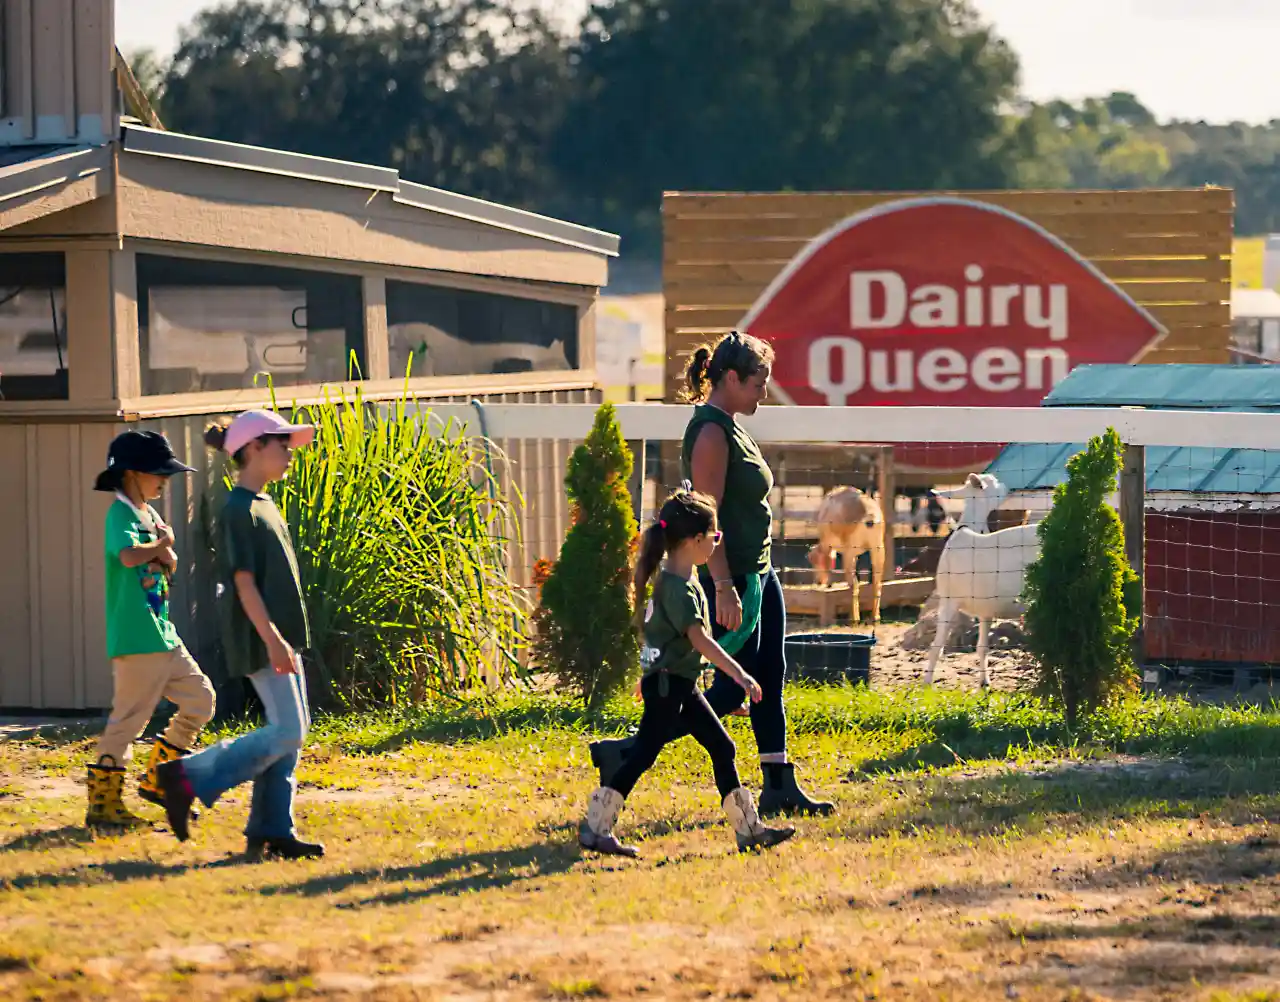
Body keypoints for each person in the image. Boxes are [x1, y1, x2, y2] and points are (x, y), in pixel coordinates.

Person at [590, 331, 834, 817]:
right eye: (758, 383)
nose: (764, 392)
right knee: (728, 688)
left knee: (770, 674)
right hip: (733, 577)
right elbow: (709, 520)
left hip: (758, 570)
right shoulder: (710, 435)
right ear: (731, 379)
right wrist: (722, 586)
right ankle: (626, 751)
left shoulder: (731, 425)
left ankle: (779, 783)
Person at [579, 489, 796, 857]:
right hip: (670, 686)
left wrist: (647, 673)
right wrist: (740, 675)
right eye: (715, 536)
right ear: (696, 540)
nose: (716, 543)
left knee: (722, 747)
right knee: (642, 755)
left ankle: (749, 831)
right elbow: (700, 641)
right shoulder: (679, 589)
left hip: (676, 683)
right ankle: (596, 828)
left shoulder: (674, 580)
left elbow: (660, 636)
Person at [154, 409, 324, 861]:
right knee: (288, 730)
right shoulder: (237, 510)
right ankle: (185, 778)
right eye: (282, 445)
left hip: (280, 635)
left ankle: (272, 829)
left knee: (289, 734)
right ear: (253, 448)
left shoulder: (264, 503)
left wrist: (283, 637)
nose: (289, 454)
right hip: (261, 637)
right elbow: (243, 584)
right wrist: (272, 640)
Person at [86, 430, 216, 828]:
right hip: (137, 636)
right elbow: (128, 557)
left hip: (162, 632)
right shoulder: (120, 514)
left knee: (201, 699)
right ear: (131, 474)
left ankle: (161, 780)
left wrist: (166, 553)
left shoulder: (150, 514)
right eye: (159, 473)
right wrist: (161, 548)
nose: (165, 480)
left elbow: (167, 561)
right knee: (128, 721)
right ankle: (104, 806)